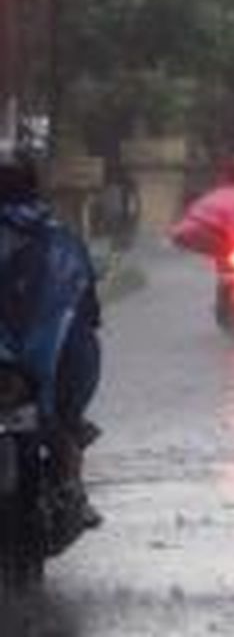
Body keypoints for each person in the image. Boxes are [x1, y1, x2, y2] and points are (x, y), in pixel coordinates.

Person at [0, 149, 102, 531]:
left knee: (62, 425)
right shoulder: (60, 238)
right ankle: (71, 488)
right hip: (44, 368)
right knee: (64, 425)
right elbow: (88, 309)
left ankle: (70, 485)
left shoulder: (58, 241)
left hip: (38, 370)